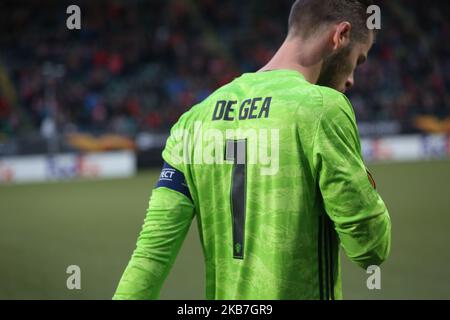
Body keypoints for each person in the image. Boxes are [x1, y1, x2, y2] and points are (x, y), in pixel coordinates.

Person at [113, 0, 391, 300]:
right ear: (341, 35)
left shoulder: (192, 122)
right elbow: (371, 248)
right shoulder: (324, 108)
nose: (351, 79)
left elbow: (150, 258)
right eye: (358, 61)